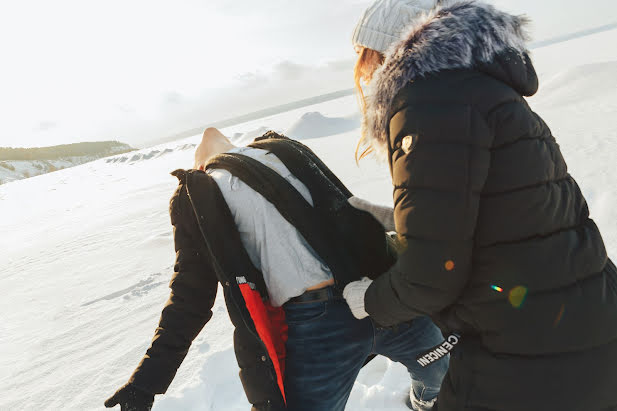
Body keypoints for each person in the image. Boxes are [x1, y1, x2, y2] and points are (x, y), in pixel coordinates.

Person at [342, 0, 617, 410]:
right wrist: (401, 221)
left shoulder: (427, 104)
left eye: (365, 59)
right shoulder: (487, 91)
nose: (365, 74)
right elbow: (511, 215)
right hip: (591, 321)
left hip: (524, 356)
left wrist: (371, 301)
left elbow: (434, 275)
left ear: (388, 53)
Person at [104, 128, 449, 411]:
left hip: (380, 293)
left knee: (443, 373)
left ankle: (424, 403)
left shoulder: (282, 150)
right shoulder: (198, 193)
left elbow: (349, 213)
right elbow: (191, 296)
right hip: (319, 326)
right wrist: (147, 380)